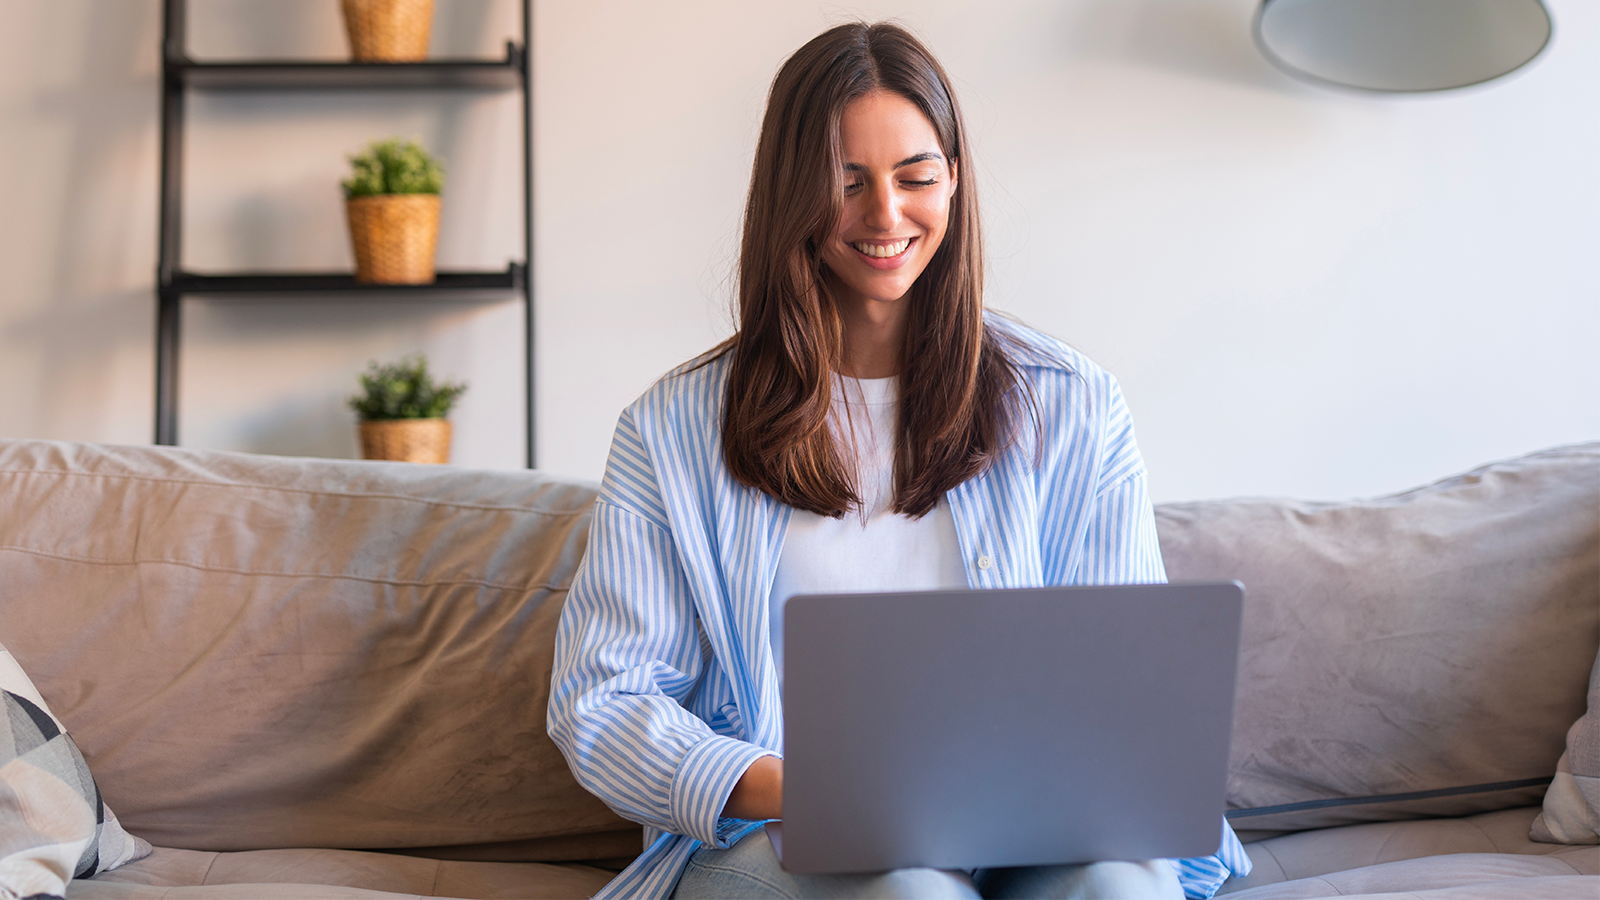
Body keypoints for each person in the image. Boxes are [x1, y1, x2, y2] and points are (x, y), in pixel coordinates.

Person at [547, 21, 1251, 900]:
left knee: (1114, 886)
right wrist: (789, 788)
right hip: (778, 840)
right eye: (847, 183)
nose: (886, 214)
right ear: (791, 196)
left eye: (915, 177)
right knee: (909, 890)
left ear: (953, 180)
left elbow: (1130, 692)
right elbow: (601, 702)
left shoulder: (1073, 404)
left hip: (1035, 834)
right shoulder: (671, 431)